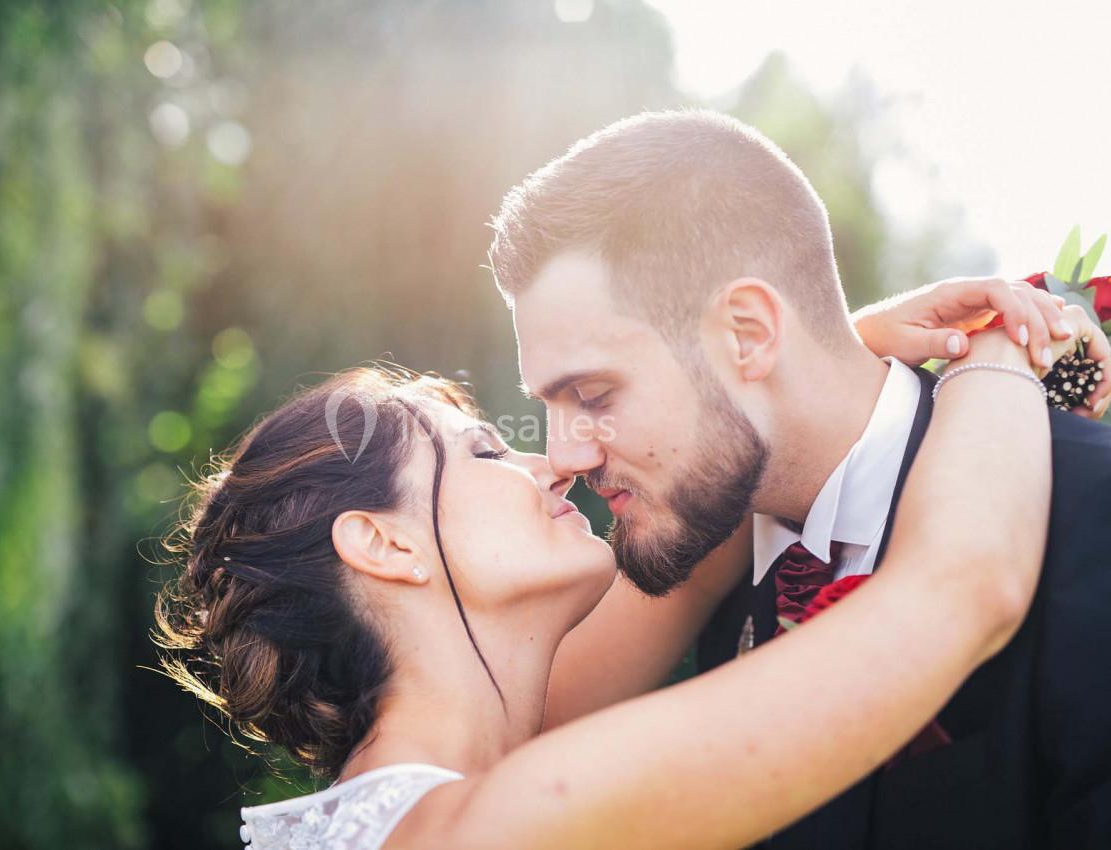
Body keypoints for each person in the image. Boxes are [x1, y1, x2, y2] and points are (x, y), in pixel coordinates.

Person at [157, 310, 1081, 848]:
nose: (553, 464)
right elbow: (962, 588)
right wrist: (1002, 348)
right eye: (483, 450)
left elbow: (702, 506)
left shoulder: (456, 783)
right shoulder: (500, 822)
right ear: (385, 546)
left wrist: (834, 343)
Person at [489, 109, 1111, 848]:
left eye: (593, 397)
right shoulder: (720, 562)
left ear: (749, 333)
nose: (565, 455)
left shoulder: (1088, 511)